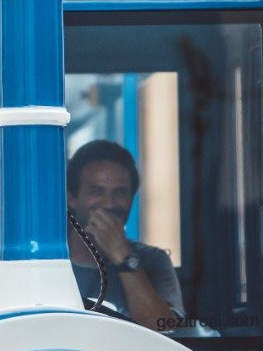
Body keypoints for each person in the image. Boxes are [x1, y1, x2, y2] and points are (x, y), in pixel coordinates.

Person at [67, 139, 184, 331]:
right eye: (97, 191)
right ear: (72, 198)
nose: (110, 203)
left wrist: (123, 256)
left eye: (120, 193)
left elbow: (166, 330)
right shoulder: (49, 258)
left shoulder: (154, 260)